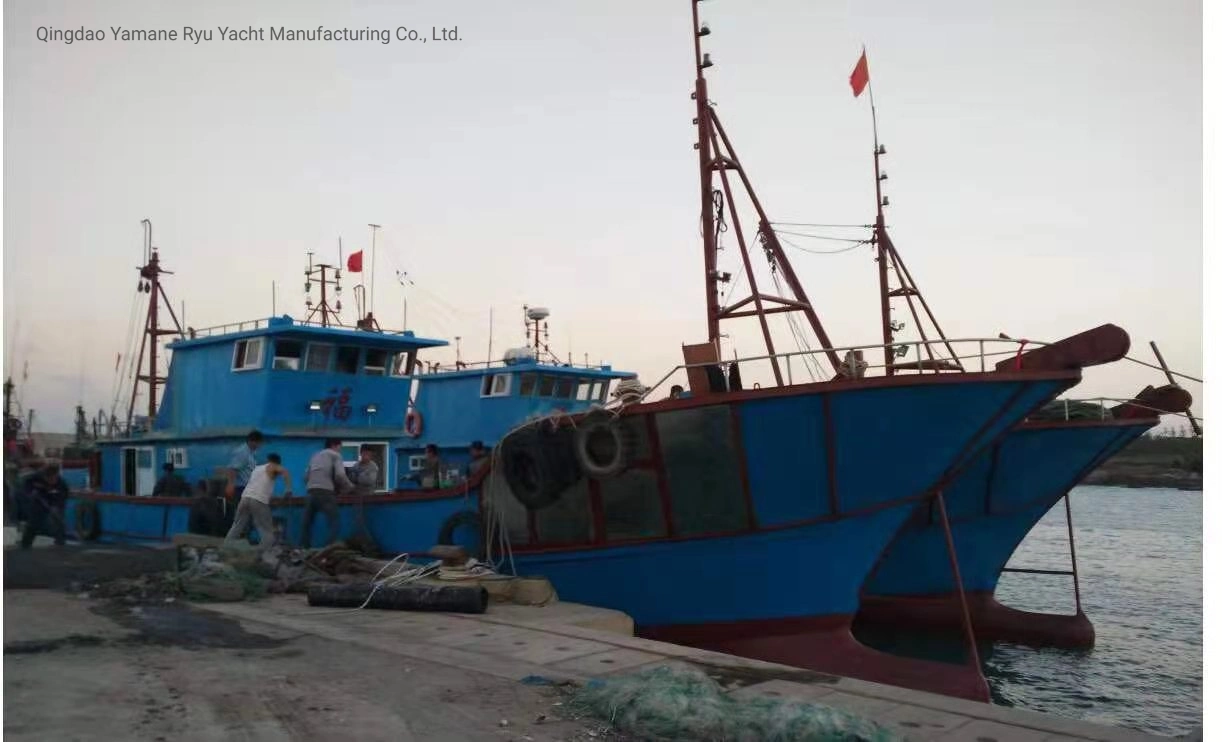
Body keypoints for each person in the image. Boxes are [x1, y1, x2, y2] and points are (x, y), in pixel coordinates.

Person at [225, 453, 292, 547]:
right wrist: (288, 489)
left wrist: (270, 498)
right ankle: (259, 556)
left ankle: (225, 548)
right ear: (277, 463)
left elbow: (258, 486)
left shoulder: (257, 469)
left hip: (245, 498)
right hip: (258, 501)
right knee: (268, 534)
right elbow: (285, 471)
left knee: (237, 527)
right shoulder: (273, 466)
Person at [301, 438, 353, 547]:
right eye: (340, 447)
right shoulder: (335, 455)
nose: (340, 450)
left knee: (307, 524)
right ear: (335, 446)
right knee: (335, 522)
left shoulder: (315, 456)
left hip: (310, 492)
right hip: (325, 492)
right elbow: (340, 475)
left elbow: (305, 477)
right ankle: (328, 549)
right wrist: (350, 487)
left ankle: (304, 550)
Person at [20, 463, 69, 549]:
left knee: (58, 520)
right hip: (38, 500)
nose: (52, 481)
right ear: (44, 476)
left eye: (54, 479)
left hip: (53, 500)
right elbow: (26, 486)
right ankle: (25, 544)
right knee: (33, 522)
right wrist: (30, 492)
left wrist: (56, 506)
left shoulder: (61, 484)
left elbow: (63, 496)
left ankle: (60, 542)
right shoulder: (35, 477)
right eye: (49, 479)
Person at [225, 430, 264, 500]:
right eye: (258, 443)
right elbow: (233, 469)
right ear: (252, 441)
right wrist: (230, 485)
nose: (259, 445)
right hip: (241, 488)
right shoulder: (242, 452)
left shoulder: (252, 452)